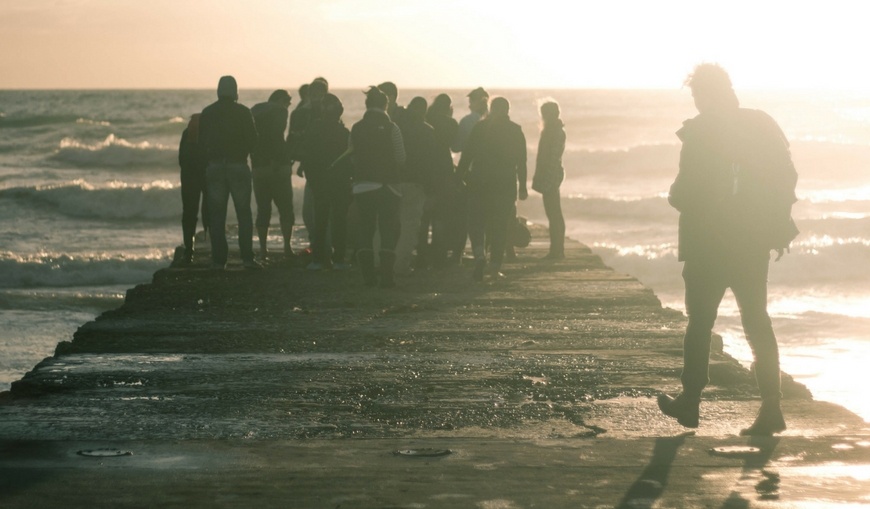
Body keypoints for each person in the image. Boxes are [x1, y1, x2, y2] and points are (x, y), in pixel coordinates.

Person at [657, 63, 799, 435]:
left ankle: (690, 402)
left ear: (705, 94)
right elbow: (785, 177)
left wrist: (675, 196)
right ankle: (771, 407)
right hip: (751, 242)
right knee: (757, 321)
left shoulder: (700, 132)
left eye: (697, 95)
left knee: (700, 323)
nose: (697, 103)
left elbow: (685, 192)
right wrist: (778, 226)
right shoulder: (761, 125)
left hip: (708, 244)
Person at [456, 96, 528, 282]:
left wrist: (458, 177)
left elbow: (468, 154)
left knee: (477, 221)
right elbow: (522, 161)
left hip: (479, 182)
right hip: (505, 184)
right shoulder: (515, 130)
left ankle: (479, 255)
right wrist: (523, 186)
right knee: (499, 226)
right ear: (507, 110)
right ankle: (495, 268)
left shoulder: (480, 128)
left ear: (491, 109)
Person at [199, 75, 260, 270]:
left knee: (217, 215)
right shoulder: (243, 112)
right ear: (235, 91)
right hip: (238, 164)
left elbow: (201, 142)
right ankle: (248, 259)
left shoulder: (208, 112)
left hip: (215, 165)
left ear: (218, 91)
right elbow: (253, 141)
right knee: (244, 213)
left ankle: (219, 261)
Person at [350, 87, 406, 287]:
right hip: (388, 187)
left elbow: (352, 156)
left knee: (365, 229)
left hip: (363, 186)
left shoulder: (356, 128)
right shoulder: (392, 128)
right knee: (388, 229)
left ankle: (368, 277)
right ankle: (387, 276)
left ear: (367, 105)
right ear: (386, 105)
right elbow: (401, 158)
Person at [301, 93, 352, 271]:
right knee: (339, 221)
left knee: (320, 222)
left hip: (320, 182)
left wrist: (312, 180)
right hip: (339, 183)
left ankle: (318, 260)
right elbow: (349, 161)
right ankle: (338, 260)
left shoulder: (314, 128)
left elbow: (307, 156)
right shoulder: (344, 132)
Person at [394, 96, 437, 276]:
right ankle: (401, 265)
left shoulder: (399, 128)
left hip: (397, 181)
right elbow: (430, 162)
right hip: (416, 183)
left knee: (394, 224)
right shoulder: (428, 131)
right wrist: (431, 188)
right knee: (410, 226)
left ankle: (385, 261)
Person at [446, 87, 489, 265]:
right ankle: (485, 253)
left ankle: (459, 253)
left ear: (477, 101)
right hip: (493, 173)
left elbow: (456, 147)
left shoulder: (468, 121)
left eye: (471, 100)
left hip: (472, 173)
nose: (469, 104)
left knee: (467, 214)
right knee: (489, 215)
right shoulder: (494, 120)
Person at [251, 89, 294, 259]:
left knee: (263, 209)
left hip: (258, 166)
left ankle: (262, 249)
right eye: (288, 102)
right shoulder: (280, 110)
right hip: (277, 166)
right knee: (285, 208)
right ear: (281, 100)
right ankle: (287, 248)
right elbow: (276, 135)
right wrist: (277, 159)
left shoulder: (255, 110)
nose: (288, 106)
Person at [422, 93, 459, 268]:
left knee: (424, 215)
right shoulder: (451, 123)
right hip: (444, 170)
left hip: (426, 168)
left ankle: (422, 252)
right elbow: (455, 145)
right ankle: (439, 253)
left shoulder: (426, 119)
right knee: (441, 215)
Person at [531, 101, 567, 260]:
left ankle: (556, 250)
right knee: (554, 213)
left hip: (551, 175)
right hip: (553, 174)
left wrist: (546, 178)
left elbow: (551, 158)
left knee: (554, 214)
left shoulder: (553, 131)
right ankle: (557, 250)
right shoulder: (555, 130)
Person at [173, 113, 209, 267]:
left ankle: (189, 249)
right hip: (206, 176)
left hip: (188, 178)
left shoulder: (186, 134)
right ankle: (210, 246)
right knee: (209, 210)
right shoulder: (207, 134)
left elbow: (181, 159)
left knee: (189, 214)